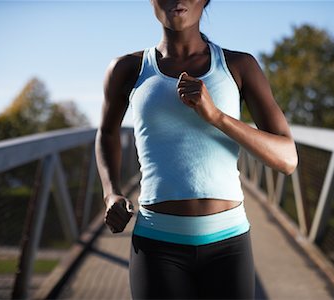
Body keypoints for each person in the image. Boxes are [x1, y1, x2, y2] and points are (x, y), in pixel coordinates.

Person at [95, 0, 298, 299]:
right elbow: (107, 133)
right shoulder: (127, 68)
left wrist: (216, 117)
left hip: (229, 244)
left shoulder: (239, 66)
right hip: (156, 243)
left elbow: (287, 158)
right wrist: (111, 191)